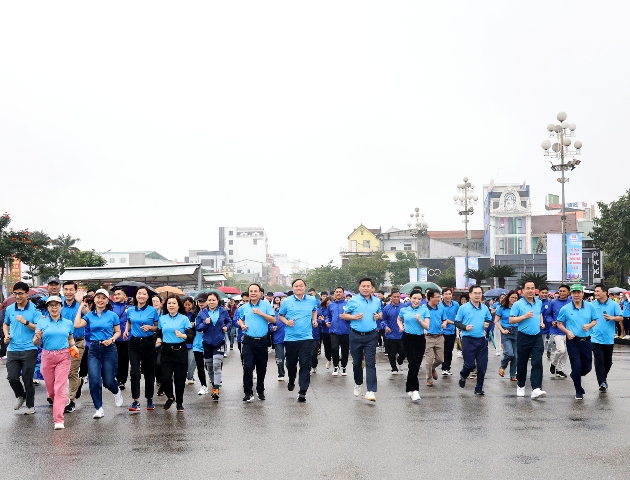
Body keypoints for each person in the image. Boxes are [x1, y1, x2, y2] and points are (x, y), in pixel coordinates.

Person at [74, 289, 124, 419]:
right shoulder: (90, 315)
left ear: (107, 301)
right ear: (94, 299)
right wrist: (80, 307)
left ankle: (116, 391)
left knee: (108, 381)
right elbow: (77, 324)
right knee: (94, 380)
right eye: (98, 297)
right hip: (94, 350)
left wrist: (111, 339)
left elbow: (118, 332)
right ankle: (98, 408)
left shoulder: (112, 315)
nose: (100, 300)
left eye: (103, 298)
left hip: (109, 349)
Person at [33, 296, 78, 430]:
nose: (54, 308)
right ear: (47, 308)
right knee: (51, 390)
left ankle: (58, 420)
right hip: (47, 356)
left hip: (63, 356)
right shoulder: (42, 322)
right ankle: (63, 399)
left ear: (61, 307)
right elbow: (35, 342)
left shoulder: (68, 323)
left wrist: (73, 346)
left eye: (56, 305)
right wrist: (37, 338)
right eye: (51, 305)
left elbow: (70, 338)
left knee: (59, 387)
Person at [340, 278, 382, 402]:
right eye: (363, 286)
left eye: (368, 286)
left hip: (371, 335)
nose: (365, 288)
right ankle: (358, 383)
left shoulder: (377, 301)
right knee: (357, 362)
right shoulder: (353, 300)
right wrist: (354, 317)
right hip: (356, 335)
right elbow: (344, 315)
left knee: (370, 363)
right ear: (359, 288)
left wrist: (378, 316)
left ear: (372, 288)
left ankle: (371, 391)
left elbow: (380, 314)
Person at [278, 279, 318, 402]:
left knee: (305, 364)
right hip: (291, 338)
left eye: (301, 285)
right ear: (293, 288)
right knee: (291, 364)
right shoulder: (287, 301)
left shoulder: (312, 299)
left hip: (306, 338)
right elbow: (280, 316)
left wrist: (314, 320)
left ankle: (302, 391)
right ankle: (291, 380)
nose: (299, 287)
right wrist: (287, 322)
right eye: (296, 286)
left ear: (305, 287)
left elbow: (314, 310)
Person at [556, 284, 598, 400]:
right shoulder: (565, 309)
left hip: (586, 341)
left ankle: (575, 374)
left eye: (578, 292)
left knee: (587, 367)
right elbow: (559, 323)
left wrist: (589, 325)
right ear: (571, 294)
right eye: (574, 293)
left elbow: (595, 320)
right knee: (576, 366)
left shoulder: (590, 306)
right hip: (573, 341)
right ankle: (578, 391)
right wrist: (567, 331)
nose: (576, 295)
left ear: (582, 294)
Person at [236, 284, 276, 402]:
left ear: (260, 293)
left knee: (261, 367)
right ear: (248, 293)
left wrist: (261, 313)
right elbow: (240, 319)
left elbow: (274, 319)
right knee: (248, 367)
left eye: (255, 291)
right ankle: (248, 392)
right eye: (251, 291)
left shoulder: (266, 305)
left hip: (262, 341)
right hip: (248, 341)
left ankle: (260, 390)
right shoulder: (243, 307)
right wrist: (242, 325)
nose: (253, 293)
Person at [4, 282, 39, 414]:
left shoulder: (34, 309)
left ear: (27, 294)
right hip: (13, 349)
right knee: (12, 378)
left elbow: (39, 327)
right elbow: (5, 324)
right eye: (15, 294)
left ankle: (30, 406)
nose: (17, 296)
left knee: (27, 378)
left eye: (20, 294)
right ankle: (21, 395)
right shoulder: (9, 309)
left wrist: (26, 322)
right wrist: (6, 335)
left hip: (30, 348)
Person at [124, 286, 159, 412]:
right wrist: (126, 330)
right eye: (139, 293)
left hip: (148, 343)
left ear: (148, 296)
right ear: (136, 295)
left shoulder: (152, 310)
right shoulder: (130, 309)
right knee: (134, 372)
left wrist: (150, 327)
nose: (141, 296)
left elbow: (157, 327)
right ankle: (136, 400)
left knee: (149, 372)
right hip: (134, 343)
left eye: (144, 294)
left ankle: (149, 399)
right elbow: (129, 321)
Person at [509, 281, 546, 399]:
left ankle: (536, 388)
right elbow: (511, 320)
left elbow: (539, 313)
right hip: (523, 336)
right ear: (523, 291)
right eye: (528, 288)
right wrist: (524, 316)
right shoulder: (518, 304)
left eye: (532, 288)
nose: (530, 291)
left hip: (537, 336)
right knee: (522, 362)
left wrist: (541, 322)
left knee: (537, 361)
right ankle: (521, 385)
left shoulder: (539, 302)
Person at [156, 295, 193, 412]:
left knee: (179, 380)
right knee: (166, 379)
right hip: (166, 351)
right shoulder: (162, 319)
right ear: (166, 306)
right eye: (169, 303)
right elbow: (159, 333)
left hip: (180, 351)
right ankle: (171, 397)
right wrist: (158, 339)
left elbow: (191, 335)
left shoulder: (184, 319)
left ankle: (179, 402)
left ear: (178, 305)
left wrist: (183, 335)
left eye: (174, 303)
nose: (171, 305)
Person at [454, 285, 492, 396]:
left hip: (481, 340)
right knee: (470, 365)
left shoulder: (484, 308)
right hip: (468, 340)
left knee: (482, 367)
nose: (477, 295)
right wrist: (465, 327)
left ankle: (479, 388)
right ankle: (463, 375)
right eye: (475, 293)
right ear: (470, 295)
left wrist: (488, 325)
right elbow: (457, 322)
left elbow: (489, 320)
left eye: (479, 293)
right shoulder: (463, 308)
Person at [195, 292, 231, 401]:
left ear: (217, 300)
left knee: (216, 365)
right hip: (207, 343)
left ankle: (216, 390)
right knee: (209, 367)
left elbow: (229, 321)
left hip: (219, 342)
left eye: (213, 300)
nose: (211, 302)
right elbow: (197, 327)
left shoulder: (223, 311)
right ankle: (213, 384)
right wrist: (205, 323)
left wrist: (227, 327)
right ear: (207, 301)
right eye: (209, 300)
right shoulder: (202, 313)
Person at [591, 284, 623, 392]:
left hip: (608, 339)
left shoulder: (614, 305)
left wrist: (612, 317)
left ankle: (603, 378)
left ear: (605, 292)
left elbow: (620, 318)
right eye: (595, 291)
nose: (595, 293)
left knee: (608, 362)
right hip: (595, 338)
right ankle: (602, 382)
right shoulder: (591, 305)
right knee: (599, 360)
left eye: (598, 291)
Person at [398, 291, 429, 401]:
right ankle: (415, 390)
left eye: (419, 299)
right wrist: (401, 326)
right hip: (407, 338)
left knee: (416, 365)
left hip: (420, 339)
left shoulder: (424, 310)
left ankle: (409, 388)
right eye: (414, 298)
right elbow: (399, 319)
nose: (416, 301)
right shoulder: (404, 310)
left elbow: (427, 326)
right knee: (413, 363)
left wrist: (420, 320)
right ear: (410, 298)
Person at [60, 281, 83, 414]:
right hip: (61, 344)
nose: (68, 292)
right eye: (66, 289)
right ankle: (77, 384)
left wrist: (81, 303)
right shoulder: (59, 305)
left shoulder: (81, 304)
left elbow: (89, 313)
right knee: (62, 372)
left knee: (72, 372)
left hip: (78, 343)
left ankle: (71, 401)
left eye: (71, 290)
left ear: (75, 291)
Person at [495, 290, 519, 381]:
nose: (514, 299)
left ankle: (513, 375)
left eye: (516, 298)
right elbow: (496, 321)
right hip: (506, 332)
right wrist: (502, 330)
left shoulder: (518, 308)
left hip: (516, 332)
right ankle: (502, 366)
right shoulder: (501, 308)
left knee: (515, 356)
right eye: (512, 297)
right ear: (508, 297)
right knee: (509, 353)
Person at [380, 289, 406, 375]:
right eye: (394, 297)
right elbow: (383, 320)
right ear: (391, 297)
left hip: (402, 334)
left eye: (398, 297)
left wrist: (405, 325)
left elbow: (408, 318)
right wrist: (386, 327)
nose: (396, 298)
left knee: (403, 352)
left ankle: (400, 360)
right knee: (391, 353)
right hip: (390, 334)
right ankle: (394, 368)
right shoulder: (386, 308)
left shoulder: (404, 307)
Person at [549, 285, 572, 379]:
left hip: (569, 330)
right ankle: (553, 363)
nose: (562, 293)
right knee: (561, 350)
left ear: (568, 292)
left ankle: (560, 370)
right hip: (557, 330)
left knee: (566, 352)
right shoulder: (553, 303)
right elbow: (548, 315)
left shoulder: (571, 302)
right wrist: (551, 321)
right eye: (560, 291)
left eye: (564, 291)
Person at [423, 289, 445, 387]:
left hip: (439, 336)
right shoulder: (423, 309)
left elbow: (444, 319)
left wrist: (444, 324)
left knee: (440, 359)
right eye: (437, 297)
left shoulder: (441, 308)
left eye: (439, 297)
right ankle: (429, 379)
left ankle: (432, 368)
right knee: (429, 360)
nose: (439, 299)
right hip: (428, 337)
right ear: (430, 298)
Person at [326, 287, 350, 376]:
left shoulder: (348, 304)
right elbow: (328, 315)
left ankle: (344, 366)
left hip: (345, 331)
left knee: (345, 350)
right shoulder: (331, 305)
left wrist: (347, 318)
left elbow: (352, 316)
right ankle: (335, 366)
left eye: (340, 292)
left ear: (343, 294)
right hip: (334, 331)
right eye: (337, 292)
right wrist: (327, 321)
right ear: (334, 294)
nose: (338, 293)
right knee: (334, 348)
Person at [111, 286, 130, 392]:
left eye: (119, 294)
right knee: (114, 359)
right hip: (113, 337)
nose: (116, 296)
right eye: (115, 294)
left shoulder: (130, 308)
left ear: (124, 296)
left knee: (124, 359)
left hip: (126, 338)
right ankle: (115, 378)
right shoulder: (110, 307)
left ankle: (122, 380)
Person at [192, 293, 209, 395]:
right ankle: (203, 385)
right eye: (199, 301)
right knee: (199, 366)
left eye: (203, 301)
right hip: (197, 343)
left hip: (209, 343)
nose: (200, 303)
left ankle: (215, 382)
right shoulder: (196, 313)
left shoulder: (213, 313)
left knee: (210, 366)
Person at [440, 288, 459, 376]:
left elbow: (459, 315)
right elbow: (441, 318)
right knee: (443, 350)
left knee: (449, 350)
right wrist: (452, 322)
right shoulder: (439, 305)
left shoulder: (456, 304)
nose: (448, 296)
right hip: (442, 331)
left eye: (449, 294)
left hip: (452, 331)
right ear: (443, 295)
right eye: (446, 294)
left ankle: (447, 367)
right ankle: (444, 367)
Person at [152, 295, 166, 396]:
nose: (155, 303)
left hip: (163, 340)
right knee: (153, 363)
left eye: (157, 301)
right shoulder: (148, 314)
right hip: (150, 340)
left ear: (161, 303)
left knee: (159, 362)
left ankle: (162, 382)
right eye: (153, 301)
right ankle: (158, 379)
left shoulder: (165, 314)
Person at [270, 296, 286, 381]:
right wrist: (273, 328)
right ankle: (281, 373)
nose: (284, 301)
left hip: (291, 338)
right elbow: (270, 324)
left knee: (291, 359)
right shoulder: (275, 312)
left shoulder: (292, 312)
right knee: (279, 358)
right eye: (282, 300)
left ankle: (291, 373)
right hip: (278, 338)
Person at [183, 296, 197, 385]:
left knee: (192, 360)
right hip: (183, 341)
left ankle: (190, 376)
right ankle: (184, 375)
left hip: (194, 341)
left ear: (193, 304)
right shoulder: (180, 315)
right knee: (185, 361)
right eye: (186, 305)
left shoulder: (196, 314)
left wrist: (194, 324)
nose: (187, 307)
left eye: (189, 305)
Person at [318, 297, 332, 369]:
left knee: (334, 347)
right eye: (327, 303)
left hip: (333, 331)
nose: (329, 305)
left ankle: (335, 362)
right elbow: (319, 321)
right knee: (327, 348)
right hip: (325, 331)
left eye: (330, 303)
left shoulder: (334, 310)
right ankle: (329, 359)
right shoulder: (321, 310)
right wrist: (322, 320)